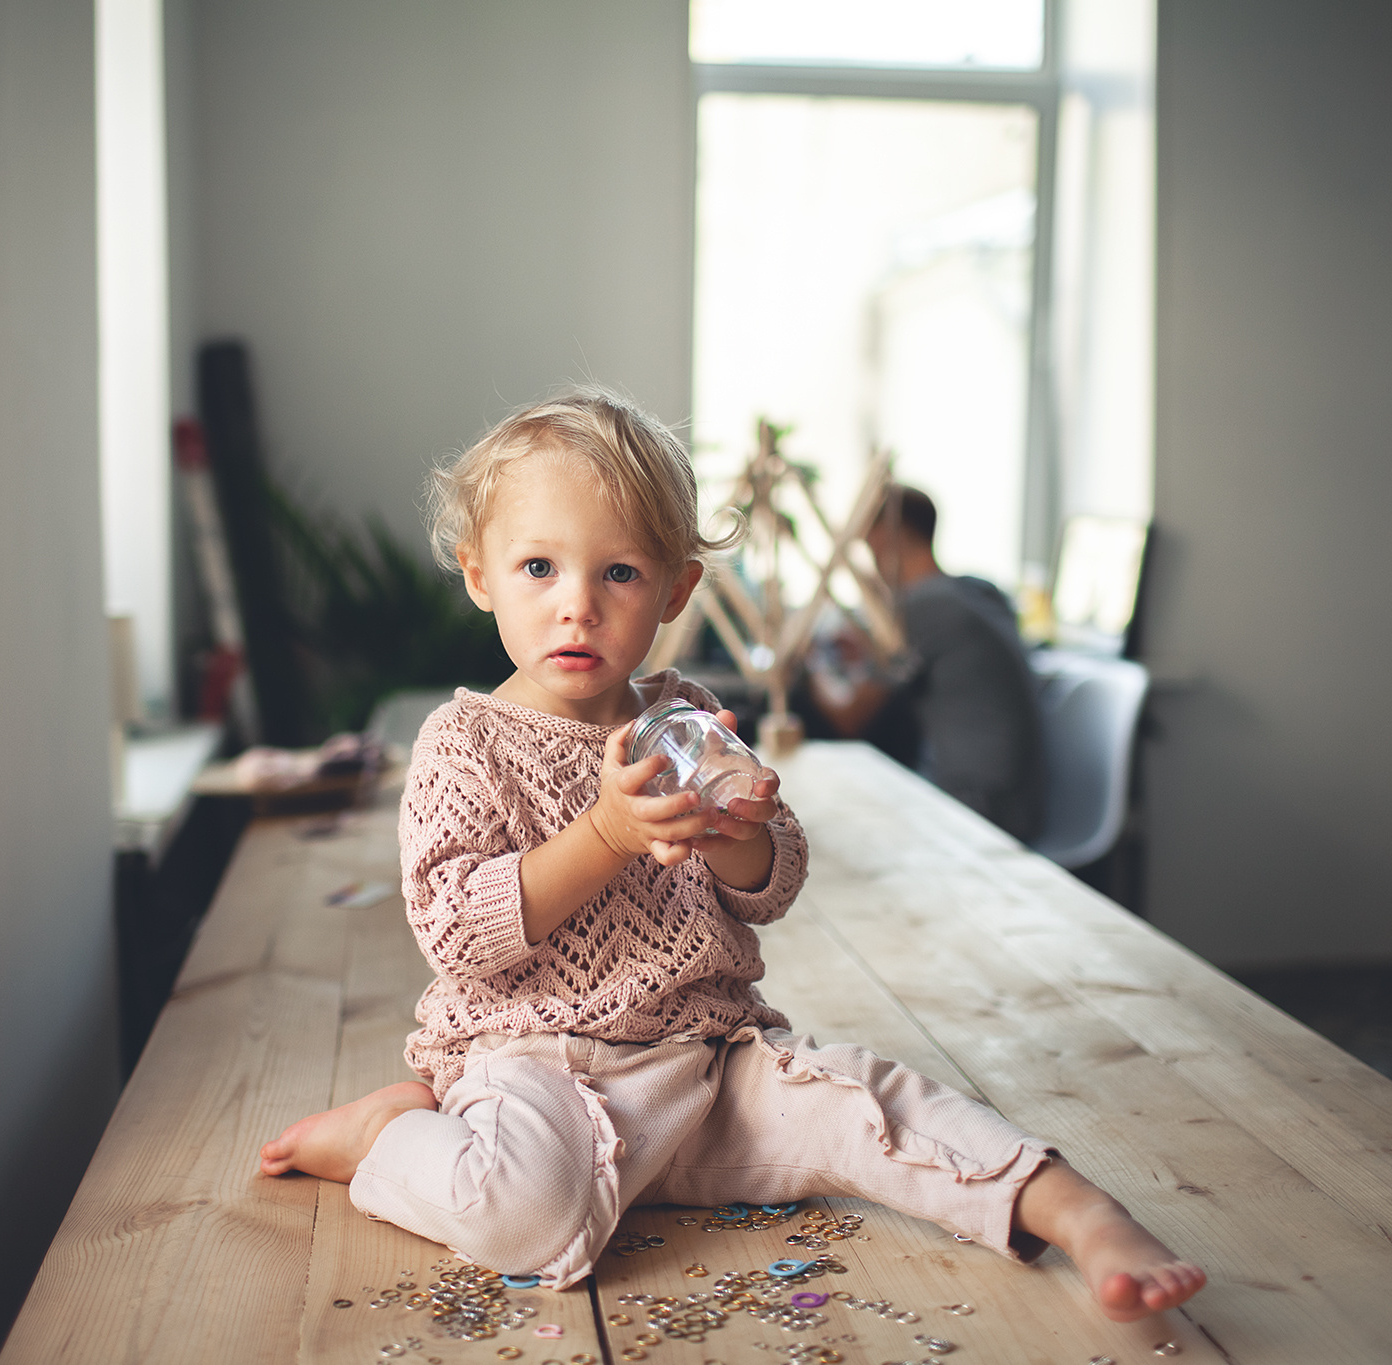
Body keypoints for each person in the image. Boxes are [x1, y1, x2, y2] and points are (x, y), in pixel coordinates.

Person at [257, 389, 1203, 1323]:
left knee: (870, 1105)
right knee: (522, 1217)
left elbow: (772, 885)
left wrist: (742, 834)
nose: (576, 606)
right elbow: (458, 929)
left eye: (618, 574)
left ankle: (1076, 1209)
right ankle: (387, 1134)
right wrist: (606, 836)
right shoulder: (465, 744)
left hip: (705, 1067)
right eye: (538, 567)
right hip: (533, 1063)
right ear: (480, 576)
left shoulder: (681, 719)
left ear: (675, 590)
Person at [807, 485, 1046, 843]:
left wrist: (810, 660)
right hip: (1024, 798)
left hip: (983, 807)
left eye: (867, 545)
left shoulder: (922, 609)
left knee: (837, 826)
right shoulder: (973, 590)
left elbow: (849, 717)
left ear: (886, 536)